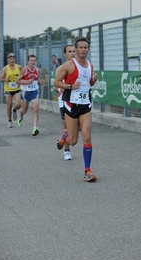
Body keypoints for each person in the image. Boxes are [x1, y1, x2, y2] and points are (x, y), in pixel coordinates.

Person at [54, 37, 99, 182]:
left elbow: (88, 85)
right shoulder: (68, 65)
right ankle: (65, 137)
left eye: (86, 47)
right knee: (73, 141)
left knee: (86, 135)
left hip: (85, 105)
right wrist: (69, 87)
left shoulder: (90, 65)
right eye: (81, 47)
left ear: (88, 49)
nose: (83, 50)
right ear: (76, 49)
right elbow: (56, 82)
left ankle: (88, 171)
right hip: (71, 105)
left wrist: (94, 80)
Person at [54, 45, 76, 161]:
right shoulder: (60, 69)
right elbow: (55, 87)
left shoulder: (79, 67)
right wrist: (60, 89)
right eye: (69, 52)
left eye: (73, 51)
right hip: (64, 101)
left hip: (77, 101)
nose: (72, 53)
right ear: (65, 54)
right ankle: (67, 151)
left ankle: (63, 139)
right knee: (67, 126)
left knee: (79, 127)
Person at [16, 54, 46, 136]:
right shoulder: (24, 70)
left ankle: (35, 128)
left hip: (34, 92)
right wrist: (27, 82)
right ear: (28, 61)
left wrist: (40, 82)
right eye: (31, 61)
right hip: (26, 92)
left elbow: (37, 79)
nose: (33, 62)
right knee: (24, 110)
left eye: (34, 61)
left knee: (35, 109)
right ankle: (21, 117)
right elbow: (17, 81)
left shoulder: (37, 70)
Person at [0, 53, 23, 128]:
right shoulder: (5, 69)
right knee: (9, 106)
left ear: (15, 59)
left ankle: (14, 110)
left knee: (19, 104)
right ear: (8, 60)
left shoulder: (19, 67)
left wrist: (20, 79)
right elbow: (0, 79)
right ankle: (9, 120)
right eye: (10, 59)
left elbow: (24, 75)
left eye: (13, 58)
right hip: (8, 89)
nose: (12, 60)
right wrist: (5, 79)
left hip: (17, 89)